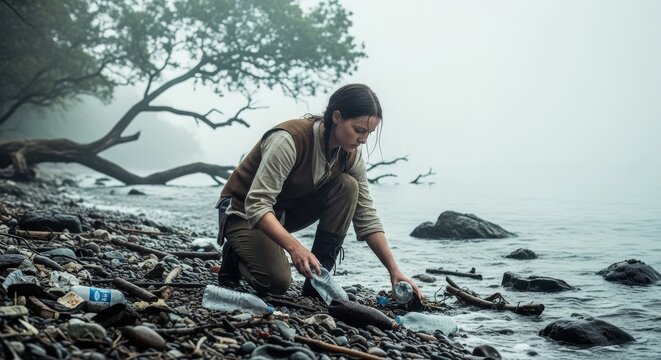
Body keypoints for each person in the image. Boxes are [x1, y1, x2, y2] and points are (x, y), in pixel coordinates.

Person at [215, 83, 422, 300]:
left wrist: (394, 270)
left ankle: (317, 282)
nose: (363, 140)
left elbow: (366, 216)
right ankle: (235, 257)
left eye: (369, 133)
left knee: (348, 187)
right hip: (241, 211)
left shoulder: (350, 155)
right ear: (336, 117)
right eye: (359, 130)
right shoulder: (288, 140)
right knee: (276, 282)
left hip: (281, 213)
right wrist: (296, 248)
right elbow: (257, 204)